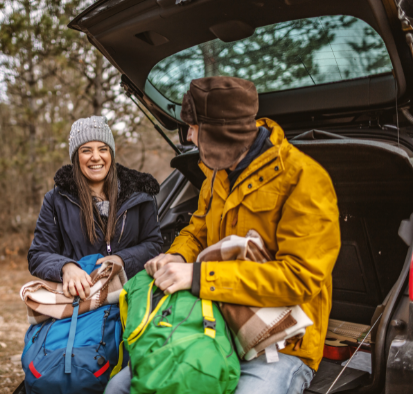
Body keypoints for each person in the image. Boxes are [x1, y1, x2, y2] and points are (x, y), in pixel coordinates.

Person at [106, 76, 340, 394]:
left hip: (283, 345)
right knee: (122, 386)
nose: (188, 136)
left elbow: (300, 279)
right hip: (214, 323)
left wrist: (199, 276)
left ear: (221, 131)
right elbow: (196, 230)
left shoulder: (304, 180)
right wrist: (178, 255)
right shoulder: (216, 175)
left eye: (193, 127)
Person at [28, 115, 163, 299]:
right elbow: (38, 254)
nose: (96, 157)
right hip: (82, 301)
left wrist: (121, 259)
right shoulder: (56, 200)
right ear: (76, 156)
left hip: (133, 295)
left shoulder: (140, 195)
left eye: (103, 149)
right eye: (86, 150)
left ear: (111, 154)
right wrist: (66, 267)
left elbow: (153, 245)